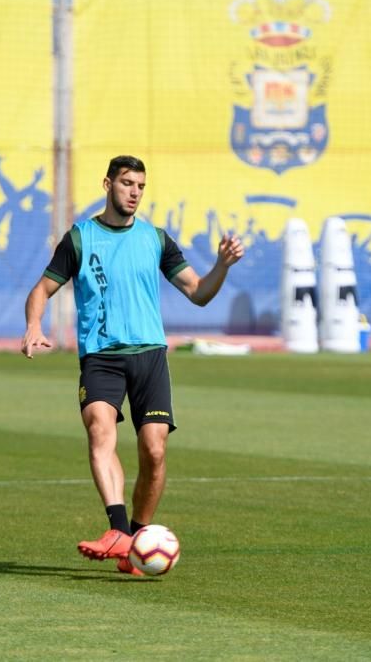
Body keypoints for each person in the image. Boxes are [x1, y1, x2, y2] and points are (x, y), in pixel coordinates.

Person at [21, 155, 244, 576]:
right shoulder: (81, 238)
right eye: (126, 184)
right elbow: (41, 289)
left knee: (154, 451)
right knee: (99, 429)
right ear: (108, 184)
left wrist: (223, 267)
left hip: (150, 357)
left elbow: (198, 292)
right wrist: (34, 324)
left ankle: (135, 544)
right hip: (101, 357)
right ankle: (118, 529)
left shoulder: (156, 239)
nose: (134, 192)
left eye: (140, 185)